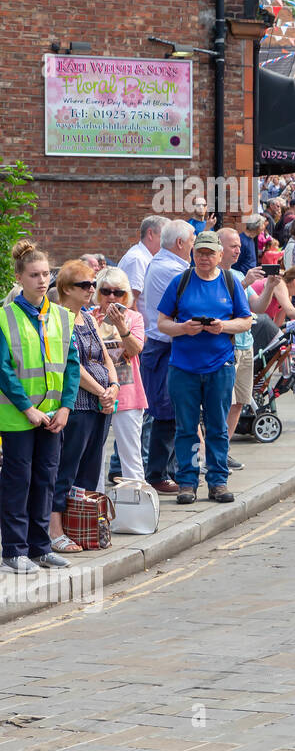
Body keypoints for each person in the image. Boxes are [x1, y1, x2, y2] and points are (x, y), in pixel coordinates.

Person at [0, 242, 82, 572]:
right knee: (18, 484)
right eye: (34, 275)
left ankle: (40, 547)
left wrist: (65, 408)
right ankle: (13, 552)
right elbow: (3, 369)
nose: (41, 280)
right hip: (18, 417)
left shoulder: (62, 316)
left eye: (46, 273)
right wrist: (26, 409)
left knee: (45, 481)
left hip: (52, 417)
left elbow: (72, 365)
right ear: (19, 278)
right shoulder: (5, 318)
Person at [155, 231, 253, 505]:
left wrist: (223, 326)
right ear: (192, 254)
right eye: (200, 252)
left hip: (219, 365)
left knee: (217, 427)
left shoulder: (230, 282)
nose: (205, 257)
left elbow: (245, 321)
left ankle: (218, 481)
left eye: (210, 253)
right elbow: (162, 322)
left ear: (220, 256)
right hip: (183, 367)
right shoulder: (181, 281)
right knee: (186, 427)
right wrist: (183, 328)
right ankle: (187, 482)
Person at [46, 259, 119, 550]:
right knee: (67, 468)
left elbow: (104, 356)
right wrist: (102, 391)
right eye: (84, 285)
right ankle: (55, 531)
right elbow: (70, 366)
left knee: (89, 470)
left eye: (92, 284)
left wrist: (113, 386)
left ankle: (82, 524)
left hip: (101, 404)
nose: (92, 289)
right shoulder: (58, 319)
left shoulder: (87, 318)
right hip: (78, 404)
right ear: (66, 288)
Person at [139, 219, 195, 494]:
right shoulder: (170, 269)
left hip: (168, 346)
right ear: (180, 243)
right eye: (193, 241)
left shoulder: (170, 264)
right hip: (164, 348)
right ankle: (157, 474)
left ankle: (167, 471)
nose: (195, 246)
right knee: (164, 413)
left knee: (171, 413)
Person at [93, 267, 146, 482]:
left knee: (131, 455)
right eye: (106, 291)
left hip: (127, 392)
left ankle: (138, 505)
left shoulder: (134, 318)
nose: (112, 297)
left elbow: (134, 350)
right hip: (96, 392)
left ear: (126, 295)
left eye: (118, 292)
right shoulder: (88, 317)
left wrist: (120, 326)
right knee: (94, 456)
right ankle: (94, 506)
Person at [119, 215, 167, 303]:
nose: (167, 242)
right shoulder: (137, 260)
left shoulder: (145, 258)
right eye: (164, 237)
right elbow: (131, 301)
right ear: (150, 234)